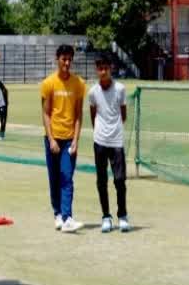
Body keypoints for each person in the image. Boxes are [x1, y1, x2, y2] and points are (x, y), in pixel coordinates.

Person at [42, 44, 87, 233]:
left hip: (69, 138)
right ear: (57, 59)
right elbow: (45, 114)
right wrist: (51, 139)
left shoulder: (79, 84)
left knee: (67, 177)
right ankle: (58, 214)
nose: (67, 63)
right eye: (64, 59)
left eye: (70, 59)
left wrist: (76, 140)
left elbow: (78, 115)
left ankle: (68, 217)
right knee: (54, 178)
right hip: (53, 138)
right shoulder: (48, 83)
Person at [88, 56, 129, 234]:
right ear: (97, 70)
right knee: (101, 180)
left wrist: (114, 129)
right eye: (100, 68)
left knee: (120, 180)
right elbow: (93, 114)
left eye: (106, 68)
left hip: (117, 141)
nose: (103, 72)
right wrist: (100, 131)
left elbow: (123, 114)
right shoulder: (92, 92)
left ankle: (123, 216)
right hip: (100, 141)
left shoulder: (120, 89)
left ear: (110, 69)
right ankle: (106, 216)